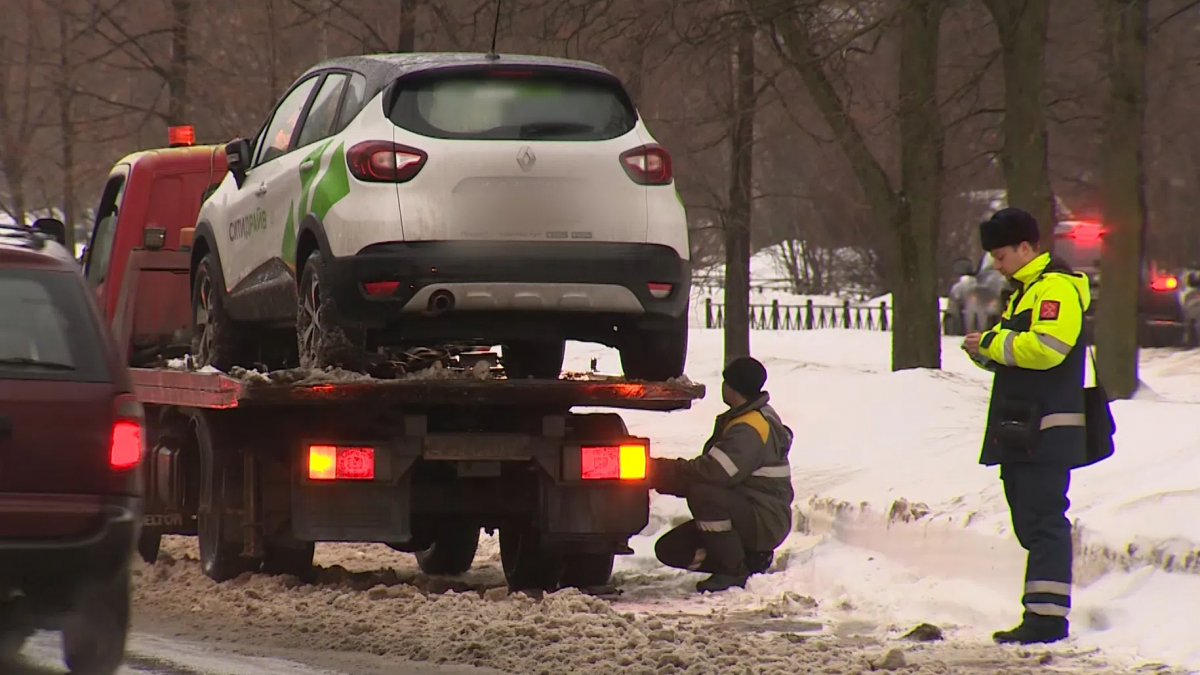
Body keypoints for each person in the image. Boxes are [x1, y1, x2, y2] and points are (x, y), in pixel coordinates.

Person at [962, 207, 1092, 645]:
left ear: (1025, 247)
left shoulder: (1054, 287)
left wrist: (994, 343)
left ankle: (1046, 618)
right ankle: (1042, 613)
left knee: (1042, 521)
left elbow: (1049, 347)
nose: (996, 265)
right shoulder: (1024, 290)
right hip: (1022, 428)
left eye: (1000, 256)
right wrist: (984, 350)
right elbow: (1015, 351)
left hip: (1046, 429)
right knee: (1030, 520)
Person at [649, 356, 794, 593]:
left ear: (732, 386)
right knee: (671, 549)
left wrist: (660, 471)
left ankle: (732, 570)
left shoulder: (749, 427)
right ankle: (749, 561)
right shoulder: (751, 416)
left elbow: (714, 472)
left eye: (725, 381)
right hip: (753, 510)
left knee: (703, 494)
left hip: (764, 518)